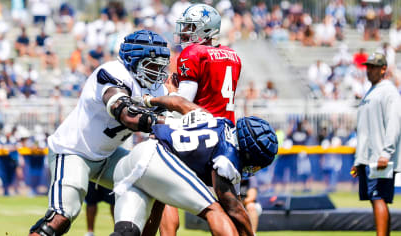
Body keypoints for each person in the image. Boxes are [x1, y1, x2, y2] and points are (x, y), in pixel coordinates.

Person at [28, 29, 171, 236]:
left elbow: (165, 129)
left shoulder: (156, 89)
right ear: (133, 60)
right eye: (152, 65)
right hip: (74, 150)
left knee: (152, 182)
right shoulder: (112, 72)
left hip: (108, 155)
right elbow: (127, 115)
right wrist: (169, 120)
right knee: (61, 216)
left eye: (160, 65)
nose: (158, 71)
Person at [111, 105, 278, 236]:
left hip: (137, 156)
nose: (253, 169)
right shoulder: (228, 157)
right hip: (156, 159)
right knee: (215, 211)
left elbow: (180, 103)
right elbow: (234, 209)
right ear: (248, 151)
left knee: (129, 231)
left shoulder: (221, 123)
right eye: (255, 164)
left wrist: (150, 101)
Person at [162, 4, 242, 233]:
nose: (185, 31)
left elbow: (183, 103)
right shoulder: (233, 55)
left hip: (199, 134)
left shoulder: (193, 54)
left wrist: (170, 92)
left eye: (190, 26)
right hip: (227, 137)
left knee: (162, 190)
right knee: (231, 207)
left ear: (206, 30)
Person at [351, 53, 401, 236]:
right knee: (376, 199)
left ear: (383, 69)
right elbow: (364, 130)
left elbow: (394, 124)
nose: (369, 70)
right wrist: (359, 160)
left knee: (378, 197)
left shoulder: (389, 91)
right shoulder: (371, 92)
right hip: (369, 157)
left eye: (373, 66)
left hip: (380, 157)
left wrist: (386, 153)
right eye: (368, 66)